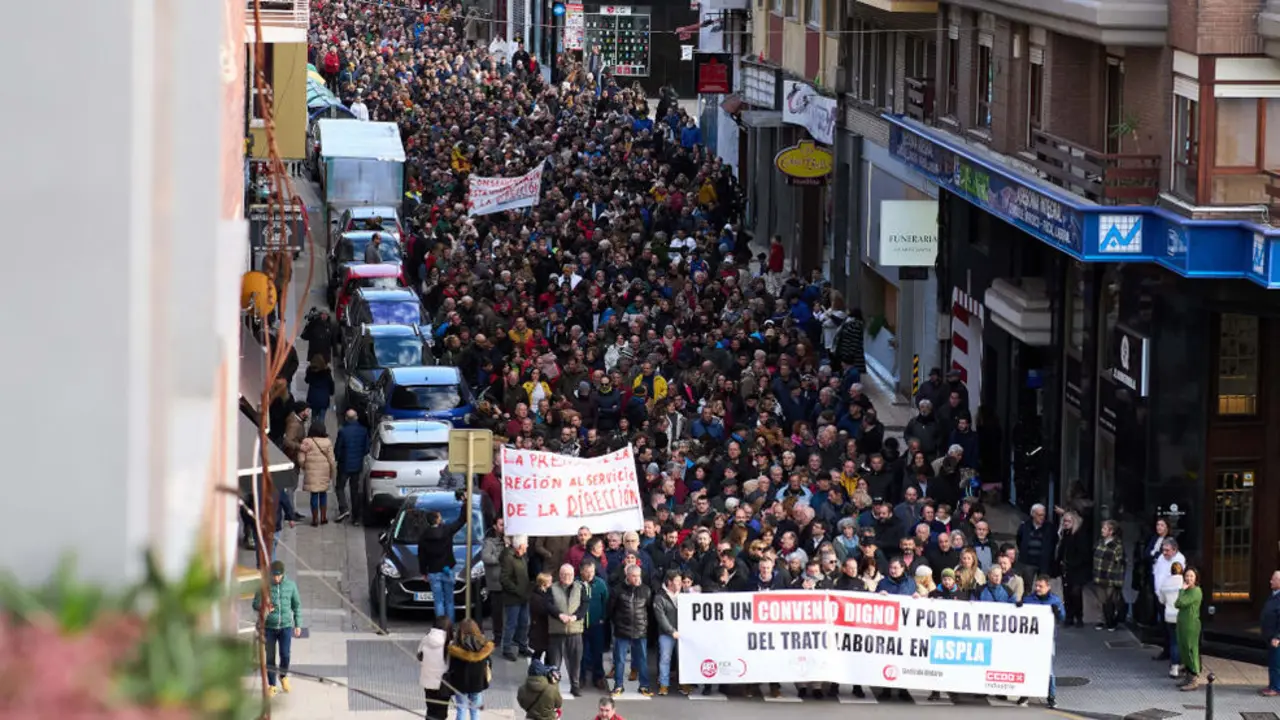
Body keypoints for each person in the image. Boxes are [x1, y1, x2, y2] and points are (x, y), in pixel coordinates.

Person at [252, 560, 303, 696]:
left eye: (279, 576)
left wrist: (298, 624)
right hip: (269, 627)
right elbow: (255, 603)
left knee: (285, 654)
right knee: (270, 657)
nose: (276, 578)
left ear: (283, 574)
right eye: (274, 576)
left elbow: (296, 606)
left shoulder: (291, 586)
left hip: (285, 626)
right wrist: (264, 606)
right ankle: (272, 685)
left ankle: (283, 676)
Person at [416, 508, 470, 620]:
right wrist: (464, 503)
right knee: (449, 600)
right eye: (440, 517)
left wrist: (423, 572)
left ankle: (441, 627)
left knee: (438, 601)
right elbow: (461, 521)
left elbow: (422, 557)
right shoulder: (447, 530)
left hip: (433, 571)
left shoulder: (424, 536)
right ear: (437, 520)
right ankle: (450, 626)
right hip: (446, 569)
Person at [1020, 575, 1065, 708]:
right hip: (1031, 639)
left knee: (1048, 670)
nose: (1037, 588)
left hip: (1047, 639)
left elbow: (1062, 618)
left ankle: (1051, 697)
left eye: (1041, 586)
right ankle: (1025, 694)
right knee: (1028, 666)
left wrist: (1058, 612)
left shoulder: (1055, 601)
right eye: (1036, 586)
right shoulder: (1028, 600)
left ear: (1048, 587)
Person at [609, 565, 653, 697]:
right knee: (619, 660)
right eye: (633, 576)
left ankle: (644, 686)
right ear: (627, 576)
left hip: (640, 630)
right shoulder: (618, 590)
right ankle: (618, 686)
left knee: (642, 660)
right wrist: (617, 622)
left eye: (638, 575)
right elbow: (610, 609)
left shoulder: (646, 590)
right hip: (622, 630)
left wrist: (646, 625)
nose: (636, 578)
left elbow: (649, 610)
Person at [545, 564, 587, 697]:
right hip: (557, 631)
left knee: (575, 661)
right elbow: (548, 605)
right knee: (555, 662)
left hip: (575, 630)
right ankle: (553, 688)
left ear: (574, 575)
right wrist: (559, 615)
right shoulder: (552, 588)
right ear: (560, 575)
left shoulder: (580, 588)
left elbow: (584, 605)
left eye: (570, 574)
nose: (567, 577)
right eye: (564, 574)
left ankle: (575, 686)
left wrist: (576, 616)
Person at [447, 618, 494, 720]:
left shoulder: (455, 646)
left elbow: (451, 667)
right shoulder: (483, 646)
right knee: (475, 710)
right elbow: (488, 664)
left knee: (461, 709)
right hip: (477, 683)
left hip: (460, 684)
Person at [1152, 538, 1186, 661]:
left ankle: (1176, 658)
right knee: (1164, 628)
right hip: (1161, 597)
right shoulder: (1161, 558)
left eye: (1167, 550)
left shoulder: (1178, 561)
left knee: (1173, 632)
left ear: (1175, 550)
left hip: (1172, 601)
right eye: (1163, 550)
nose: (1164, 552)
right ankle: (1167, 651)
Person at [652, 569, 685, 696]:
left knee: (683, 659)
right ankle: (664, 684)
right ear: (669, 582)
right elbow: (661, 618)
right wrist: (671, 631)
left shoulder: (684, 595)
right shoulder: (660, 597)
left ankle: (684, 683)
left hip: (683, 633)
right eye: (677, 581)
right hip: (666, 634)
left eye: (680, 581)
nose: (680, 584)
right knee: (665, 658)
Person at [500, 535, 533, 661]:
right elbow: (504, 578)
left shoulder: (522, 557)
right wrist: (517, 590)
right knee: (511, 623)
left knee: (525, 622)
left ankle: (522, 645)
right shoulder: (509, 558)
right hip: (513, 597)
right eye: (526, 544)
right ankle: (507, 648)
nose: (528, 546)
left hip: (523, 596)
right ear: (520, 546)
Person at [1055, 510, 1091, 627]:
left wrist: (1072, 563)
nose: (1065, 523)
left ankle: (1078, 617)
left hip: (1078, 569)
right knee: (1067, 593)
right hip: (1067, 568)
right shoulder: (1065, 534)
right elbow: (1062, 551)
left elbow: (1084, 554)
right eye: (1064, 521)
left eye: (1068, 521)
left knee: (1076, 593)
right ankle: (1069, 617)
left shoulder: (1080, 535)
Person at [333, 409, 369, 524]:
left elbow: (338, 449)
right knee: (354, 491)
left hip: (344, 465)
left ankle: (343, 508)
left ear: (346, 418)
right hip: (357, 465)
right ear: (356, 417)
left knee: (339, 487)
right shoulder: (363, 431)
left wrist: (338, 458)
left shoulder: (343, 431)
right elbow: (366, 449)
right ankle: (356, 518)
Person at [578, 560, 610, 691]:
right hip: (580, 625)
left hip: (597, 624)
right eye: (587, 571)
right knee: (581, 653)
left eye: (592, 571)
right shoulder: (576, 584)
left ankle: (598, 677)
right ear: (581, 572)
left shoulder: (600, 584)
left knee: (598, 652)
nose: (590, 574)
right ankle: (581, 677)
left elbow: (606, 602)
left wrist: (603, 618)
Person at [298, 424, 337, 526]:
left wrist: (305, 467)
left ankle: (315, 519)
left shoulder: (306, 441)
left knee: (314, 494)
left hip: (311, 472)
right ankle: (323, 517)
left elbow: (301, 459)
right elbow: (332, 460)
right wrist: (332, 472)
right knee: (323, 494)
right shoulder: (327, 442)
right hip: (324, 471)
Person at [1092, 519, 1127, 631]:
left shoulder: (1117, 546)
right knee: (1100, 600)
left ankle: (1110, 621)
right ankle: (1101, 620)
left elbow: (1120, 565)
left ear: (1111, 531)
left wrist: (1118, 581)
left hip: (1110, 577)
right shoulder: (1100, 542)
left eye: (1105, 528)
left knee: (1110, 601)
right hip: (1099, 575)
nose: (1102, 530)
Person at [417, 615, 453, 720]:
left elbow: (419, 655)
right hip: (443, 684)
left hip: (427, 681)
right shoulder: (449, 643)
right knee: (442, 713)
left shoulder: (426, 638)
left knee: (431, 710)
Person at [1175, 567, 1204, 690]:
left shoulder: (1196, 591)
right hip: (1182, 623)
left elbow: (1179, 603)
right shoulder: (1187, 590)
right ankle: (1187, 676)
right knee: (1183, 648)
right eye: (1187, 576)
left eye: (1191, 576)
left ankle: (1194, 678)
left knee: (1191, 649)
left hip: (1191, 625)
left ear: (1196, 578)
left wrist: (1181, 590)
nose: (1188, 578)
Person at [481, 518, 508, 640]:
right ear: (495, 526)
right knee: (497, 611)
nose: (503, 527)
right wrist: (500, 558)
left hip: (507, 581)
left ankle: (507, 635)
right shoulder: (489, 542)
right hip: (496, 583)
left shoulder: (508, 541)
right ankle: (498, 635)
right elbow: (486, 557)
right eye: (501, 524)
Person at [1160, 562, 1186, 678]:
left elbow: (1162, 600)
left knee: (1174, 641)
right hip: (1182, 615)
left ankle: (1174, 668)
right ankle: (1183, 664)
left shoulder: (1165, 582)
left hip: (1169, 615)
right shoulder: (1184, 582)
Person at [1261, 570, 1280, 696]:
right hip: (1269, 635)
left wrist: (1278, 636)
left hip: (1276, 637)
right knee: (1272, 661)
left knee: (1276, 663)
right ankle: (1272, 684)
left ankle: (1276, 687)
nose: (1270, 581)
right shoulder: (1273, 594)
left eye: (1273, 579)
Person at [528, 572, 554, 663]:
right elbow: (543, 610)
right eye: (550, 582)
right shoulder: (537, 597)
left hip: (544, 628)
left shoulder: (542, 594)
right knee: (539, 651)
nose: (552, 584)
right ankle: (535, 669)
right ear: (544, 584)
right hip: (539, 628)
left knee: (548, 651)